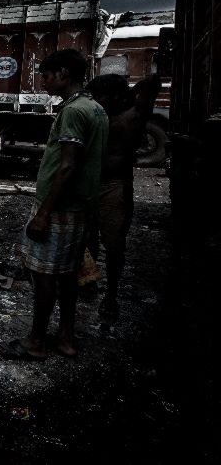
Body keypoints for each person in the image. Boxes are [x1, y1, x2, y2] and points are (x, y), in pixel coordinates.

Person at [2, 49, 107, 360]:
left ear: (62, 74)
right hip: (80, 207)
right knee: (68, 274)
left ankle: (36, 341)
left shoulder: (74, 112)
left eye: (46, 76)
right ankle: (65, 337)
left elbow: (68, 166)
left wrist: (43, 214)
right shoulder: (96, 108)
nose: (43, 82)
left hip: (60, 208)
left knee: (45, 275)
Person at [85, 73, 161, 319]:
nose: (95, 100)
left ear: (114, 96)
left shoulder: (133, 116)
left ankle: (111, 295)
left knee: (114, 243)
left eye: (100, 96)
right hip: (92, 183)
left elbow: (153, 81)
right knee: (88, 238)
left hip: (115, 185)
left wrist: (127, 92)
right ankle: (90, 282)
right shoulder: (99, 116)